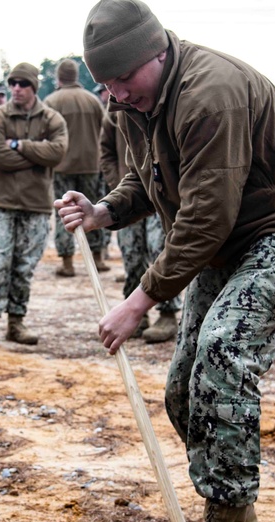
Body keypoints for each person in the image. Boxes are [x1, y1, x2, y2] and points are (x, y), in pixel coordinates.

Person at [56, 0, 275, 522]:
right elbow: (152, 178)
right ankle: (237, 512)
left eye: (122, 80)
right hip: (232, 244)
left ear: (157, 53)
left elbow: (206, 215)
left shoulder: (210, 91)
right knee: (183, 389)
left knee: (222, 354)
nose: (112, 95)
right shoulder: (135, 101)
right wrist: (105, 211)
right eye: (102, 83)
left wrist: (139, 300)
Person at [0, 62, 67, 352]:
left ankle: (16, 321)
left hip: (36, 203)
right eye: (12, 83)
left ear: (34, 87)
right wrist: (37, 152)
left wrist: (19, 145)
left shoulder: (52, 118)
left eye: (23, 84)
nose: (16, 88)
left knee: (24, 266)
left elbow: (58, 152)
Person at [100, 95, 182, 343]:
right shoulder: (116, 112)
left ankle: (167, 313)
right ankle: (136, 315)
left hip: (162, 198)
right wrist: (119, 186)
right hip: (132, 196)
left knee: (159, 249)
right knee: (131, 253)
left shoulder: (165, 106)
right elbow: (106, 152)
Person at [44, 58, 110, 277]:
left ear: (58, 76)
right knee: (94, 210)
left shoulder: (52, 101)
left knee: (66, 212)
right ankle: (98, 257)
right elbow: (105, 130)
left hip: (62, 165)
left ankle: (67, 261)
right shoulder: (92, 101)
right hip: (92, 164)